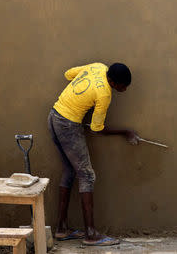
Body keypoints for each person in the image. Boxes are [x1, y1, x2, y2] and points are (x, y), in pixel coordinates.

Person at [47, 62, 138, 246]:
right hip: (68, 125)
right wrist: (125, 132)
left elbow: (68, 73)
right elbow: (97, 129)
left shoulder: (98, 66)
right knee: (87, 175)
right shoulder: (104, 94)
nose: (125, 89)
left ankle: (62, 229)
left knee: (70, 171)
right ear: (112, 81)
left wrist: (81, 97)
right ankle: (91, 234)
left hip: (54, 116)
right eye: (122, 85)